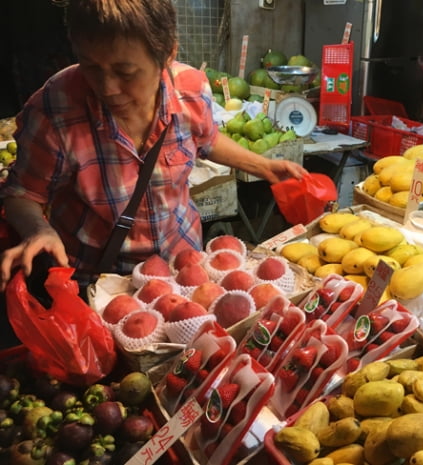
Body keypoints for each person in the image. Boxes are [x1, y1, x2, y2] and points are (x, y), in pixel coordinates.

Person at [0, 0, 308, 293]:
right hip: (97, 282)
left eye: (125, 72)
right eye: (91, 67)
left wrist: (262, 166)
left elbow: (207, 139)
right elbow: (22, 193)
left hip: (181, 269)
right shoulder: (54, 107)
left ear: (167, 55)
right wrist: (37, 230)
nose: (107, 87)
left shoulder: (190, 89)